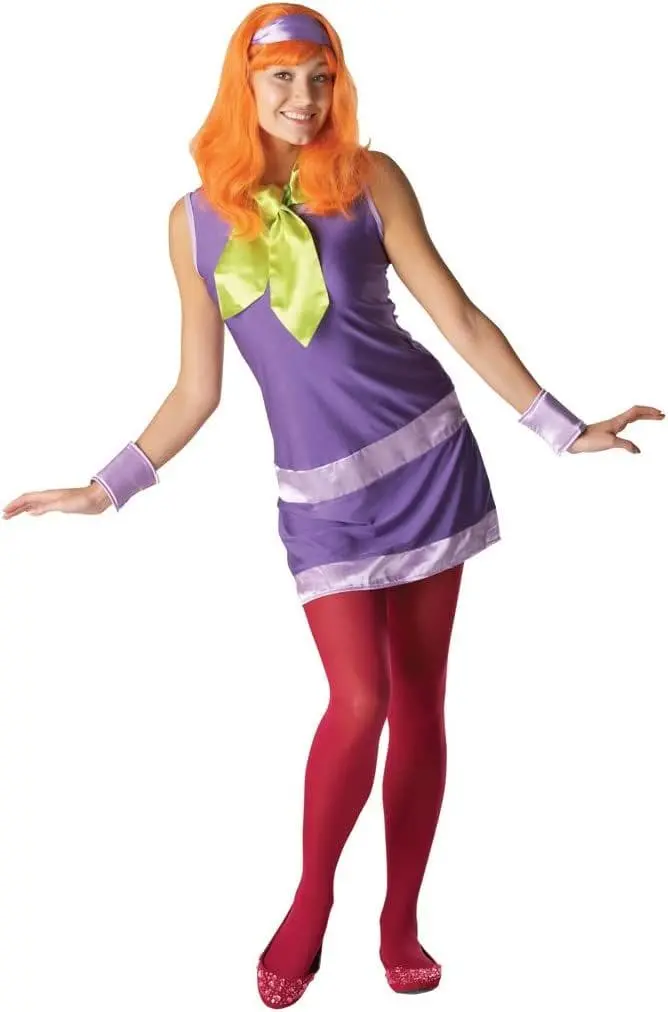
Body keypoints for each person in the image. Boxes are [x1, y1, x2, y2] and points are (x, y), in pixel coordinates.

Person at [2, 3, 664, 1008]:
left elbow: (457, 316)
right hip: (320, 498)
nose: (305, 99)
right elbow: (197, 389)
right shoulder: (191, 222)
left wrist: (562, 428)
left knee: (420, 699)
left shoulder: (370, 179)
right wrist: (107, 486)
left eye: (321, 78)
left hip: (424, 456)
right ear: (244, 83)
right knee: (359, 701)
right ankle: (311, 900)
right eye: (282, 79)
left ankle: (400, 916)